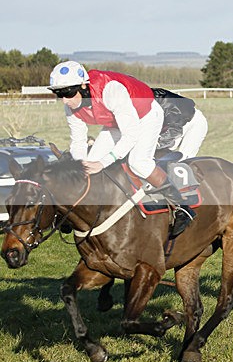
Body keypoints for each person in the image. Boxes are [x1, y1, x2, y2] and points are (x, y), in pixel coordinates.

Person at [47, 61, 195, 236]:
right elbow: (78, 141)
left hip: (146, 116)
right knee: (88, 164)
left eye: (68, 93)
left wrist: (103, 163)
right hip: (116, 123)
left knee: (138, 162)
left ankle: (181, 206)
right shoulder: (70, 107)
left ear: (83, 85)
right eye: (59, 94)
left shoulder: (111, 90)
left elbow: (130, 135)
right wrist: (81, 166)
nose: (65, 100)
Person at [151, 88, 208, 160]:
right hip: (176, 124)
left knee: (184, 159)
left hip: (193, 123)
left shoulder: (163, 101)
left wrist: (157, 143)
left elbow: (175, 129)